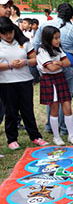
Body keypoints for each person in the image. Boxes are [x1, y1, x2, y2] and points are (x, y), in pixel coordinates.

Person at [33, 3, 73, 136]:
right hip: (65, 65)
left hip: (47, 65)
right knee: (65, 98)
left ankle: (50, 126)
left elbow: (35, 45)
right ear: (72, 15)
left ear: (57, 12)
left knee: (51, 98)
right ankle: (63, 127)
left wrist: (41, 61)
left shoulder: (44, 25)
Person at [0, 17, 48, 150]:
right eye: (4, 34)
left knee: (27, 109)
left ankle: (35, 136)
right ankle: (12, 139)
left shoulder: (24, 42)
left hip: (25, 80)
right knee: (11, 111)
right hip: (6, 82)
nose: (9, 36)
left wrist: (25, 62)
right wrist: (9, 65)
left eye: (10, 32)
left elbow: (34, 59)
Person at [36, 26, 73, 146]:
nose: (58, 40)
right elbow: (51, 68)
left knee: (67, 106)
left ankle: (71, 135)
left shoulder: (58, 49)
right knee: (54, 108)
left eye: (59, 38)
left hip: (60, 77)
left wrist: (58, 62)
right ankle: (56, 136)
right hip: (49, 80)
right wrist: (59, 64)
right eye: (55, 38)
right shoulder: (42, 50)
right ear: (48, 38)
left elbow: (68, 62)